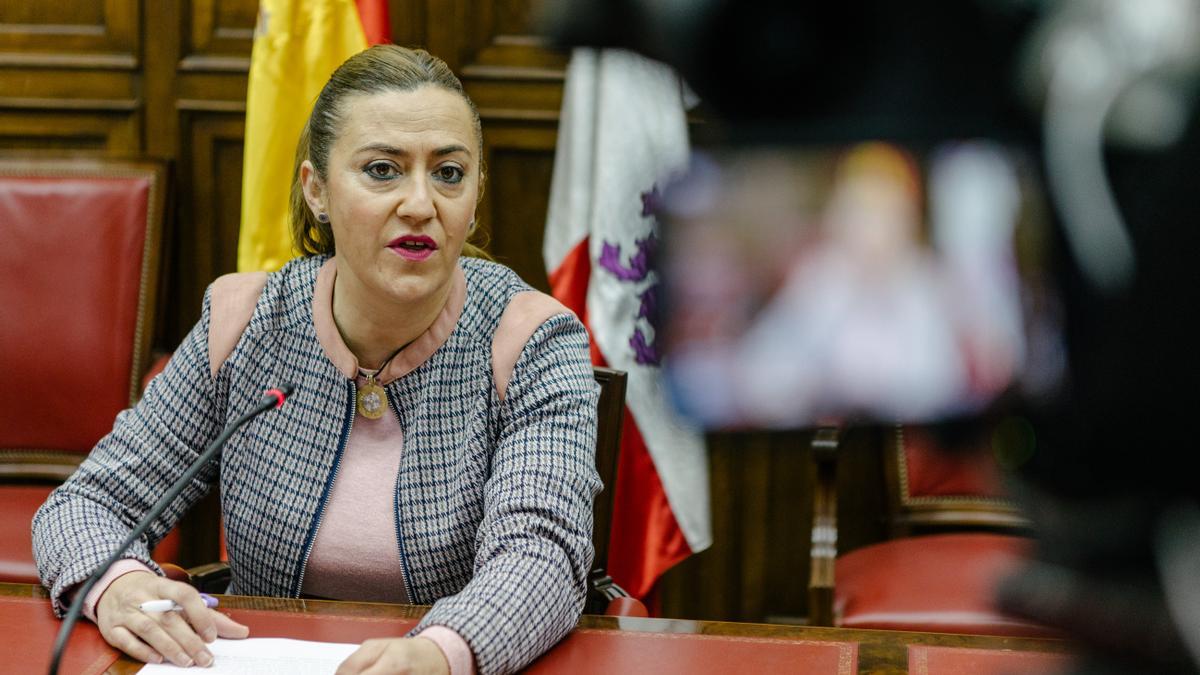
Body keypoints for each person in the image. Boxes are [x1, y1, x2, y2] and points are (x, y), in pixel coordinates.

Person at [32, 45, 601, 675]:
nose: (420, 202)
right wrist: (117, 584)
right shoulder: (245, 321)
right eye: (383, 170)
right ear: (317, 190)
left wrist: (442, 654)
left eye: (448, 173)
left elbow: (541, 556)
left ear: (475, 191)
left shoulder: (533, 341)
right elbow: (88, 504)